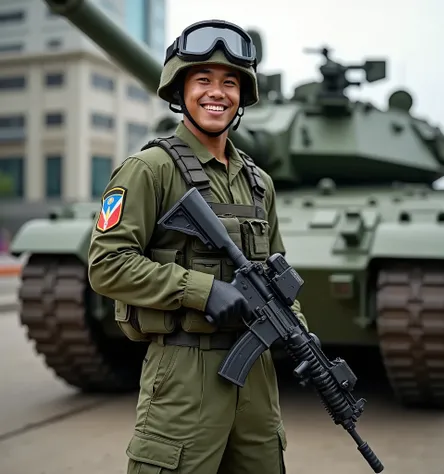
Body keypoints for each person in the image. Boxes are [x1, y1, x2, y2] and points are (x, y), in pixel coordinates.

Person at [88, 19, 308, 474]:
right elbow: (107, 264)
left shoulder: (259, 183)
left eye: (230, 83)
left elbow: (277, 275)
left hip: (258, 383)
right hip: (184, 374)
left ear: (242, 97)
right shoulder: (149, 169)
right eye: (203, 80)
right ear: (180, 90)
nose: (217, 93)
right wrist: (201, 290)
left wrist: (301, 336)